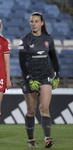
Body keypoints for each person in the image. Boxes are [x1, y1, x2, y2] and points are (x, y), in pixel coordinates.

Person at [18, 12, 60, 148]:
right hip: (29, 78)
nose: (33, 24)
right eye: (31, 21)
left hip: (44, 77)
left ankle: (47, 138)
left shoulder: (48, 39)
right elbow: (22, 62)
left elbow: (53, 58)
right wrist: (29, 78)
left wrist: (57, 74)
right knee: (31, 110)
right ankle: (31, 140)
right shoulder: (24, 39)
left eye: (36, 21)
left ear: (42, 23)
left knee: (44, 108)